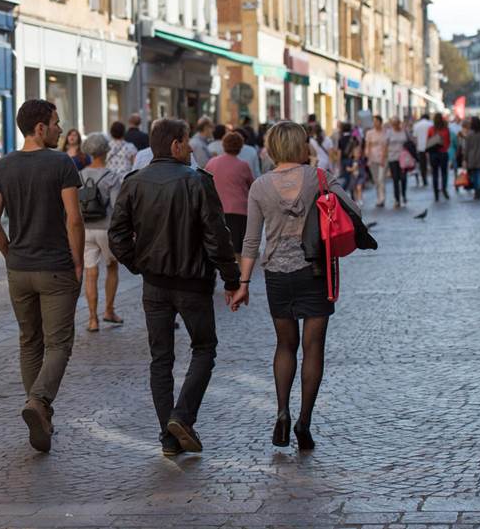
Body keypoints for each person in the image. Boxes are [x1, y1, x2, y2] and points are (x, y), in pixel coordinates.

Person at [109, 118, 241, 457]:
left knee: (161, 358)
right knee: (204, 347)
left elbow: (118, 235)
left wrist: (139, 264)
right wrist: (231, 278)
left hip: (155, 284)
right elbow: (217, 236)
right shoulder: (197, 182)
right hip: (192, 282)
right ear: (175, 145)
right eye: (187, 142)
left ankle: (169, 434)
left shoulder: (135, 182)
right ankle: (181, 417)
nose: (192, 148)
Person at [232, 121, 360, 451]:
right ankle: (305, 422)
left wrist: (243, 283)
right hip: (314, 271)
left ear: (273, 147)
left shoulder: (260, 186)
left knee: (285, 346)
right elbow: (353, 211)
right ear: (301, 145)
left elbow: (250, 240)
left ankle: (281, 414)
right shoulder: (319, 178)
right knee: (313, 347)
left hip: (277, 273)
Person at [0, 100, 84, 453]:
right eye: (56, 123)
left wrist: (10, 253)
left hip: (19, 269)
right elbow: (74, 218)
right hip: (55, 266)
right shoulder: (61, 163)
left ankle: (42, 413)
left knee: (30, 341)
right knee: (59, 344)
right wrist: (77, 260)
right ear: (40, 128)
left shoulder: (2, 166)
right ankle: (38, 401)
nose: (59, 129)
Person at [79, 133, 123, 333]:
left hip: (86, 229)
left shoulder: (79, 175)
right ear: (106, 151)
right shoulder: (112, 176)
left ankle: (92, 319)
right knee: (112, 267)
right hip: (105, 228)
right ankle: (109, 310)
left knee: (90, 273)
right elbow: (116, 207)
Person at [205, 131, 255, 259]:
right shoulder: (243, 166)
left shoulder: (211, 163)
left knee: (220, 247)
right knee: (237, 249)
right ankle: (238, 276)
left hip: (217, 211)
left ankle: (224, 275)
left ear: (224, 145)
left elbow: (205, 184)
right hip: (239, 211)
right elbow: (252, 186)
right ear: (240, 146)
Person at [463, 116, 480, 201]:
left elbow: (466, 148)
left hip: (472, 157)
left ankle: (476, 190)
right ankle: (479, 190)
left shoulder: (469, 134)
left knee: (474, 175)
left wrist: (465, 159)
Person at [364, 115, 388, 208]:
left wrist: (383, 158)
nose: (374, 123)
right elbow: (368, 145)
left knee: (381, 179)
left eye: (376, 121)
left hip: (382, 158)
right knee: (376, 180)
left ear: (380, 122)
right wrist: (368, 156)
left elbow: (386, 146)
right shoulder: (369, 133)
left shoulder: (385, 132)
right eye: (373, 121)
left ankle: (382, 198)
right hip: (372, 159)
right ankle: (378, 197)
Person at [427, 112, 451, 201]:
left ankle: (436, 193)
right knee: (444, 173)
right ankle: (444, 189)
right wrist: (444, 147)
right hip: (443, 153)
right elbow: (448, 141)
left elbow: (428, 141)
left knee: (435, 174)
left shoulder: (431, 129)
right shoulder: (446, 129)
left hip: (433, 153)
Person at [385, 117, 409, 208]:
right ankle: (397, 199)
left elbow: (410, 142)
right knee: (395, 179)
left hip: (404, 158)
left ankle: (403, 194)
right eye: (393, 124)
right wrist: (385, 157)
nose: (395, 125)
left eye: (396, 123)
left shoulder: (404, 131)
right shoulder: (389, 132)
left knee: (403, 178)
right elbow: (385, 145)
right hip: (392, 158)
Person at [412, 113, 433, 187]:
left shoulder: (416, 125)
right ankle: (433, 178)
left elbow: (415, 138)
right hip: (430, 146)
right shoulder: (431, 124)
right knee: (432, 163)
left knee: (422, 165)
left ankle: (424, 180)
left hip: (420, 147)